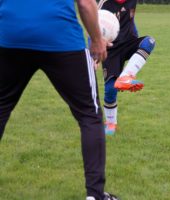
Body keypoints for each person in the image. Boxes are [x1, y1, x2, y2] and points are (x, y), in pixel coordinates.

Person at [0, 0, 118, 200]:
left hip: (10, 35)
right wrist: (97, 40)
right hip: (60, 36)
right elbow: (85, 3)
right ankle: (95, 195)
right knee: (89, 114)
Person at [97, 0, 156, 135]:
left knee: (149, 42)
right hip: (111, 49)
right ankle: (111, 123)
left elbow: (130, 18)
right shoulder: (104, 3)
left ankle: (126, 76)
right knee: (111, 89)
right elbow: (93, 25)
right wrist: (95, 53)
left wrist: (135, 36)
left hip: (128, 43)